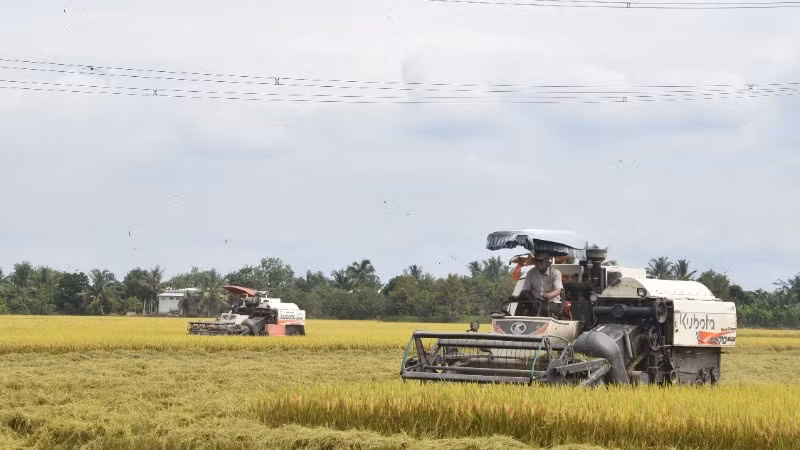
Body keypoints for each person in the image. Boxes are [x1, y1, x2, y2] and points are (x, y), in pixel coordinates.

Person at [516, 251, 563, 316]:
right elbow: (525, 290)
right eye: (536, 261)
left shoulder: (556, 273)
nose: (538, 263)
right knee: (522, 301)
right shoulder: (530, 273)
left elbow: (558, 291)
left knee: (543, 309)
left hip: (552, 302)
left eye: (541, 261)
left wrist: (549, 295)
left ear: (548, 262)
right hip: (535, 302)